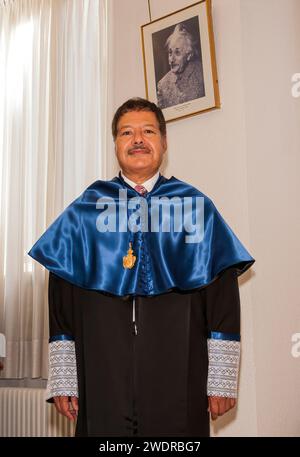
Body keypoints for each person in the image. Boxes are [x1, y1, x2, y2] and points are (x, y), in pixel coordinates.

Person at [28, 97, 255, 437]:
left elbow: (222, 297)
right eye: (126, 132)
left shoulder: (195, 208)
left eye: (148, 131)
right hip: (101, 367)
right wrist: (64, 377)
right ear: (115, 144)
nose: (137, 139)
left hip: (180, 368)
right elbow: (61, 298)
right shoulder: (86, 210)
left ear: (163, 142)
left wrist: (221, 378)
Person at [157, 24, 205, 109]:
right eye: (170, 53)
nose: (171, 60)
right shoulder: (162, 85)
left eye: (177, 53)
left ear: (189, 55)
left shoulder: (203, 74)